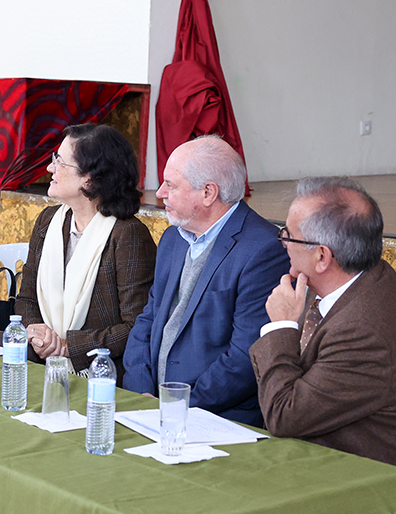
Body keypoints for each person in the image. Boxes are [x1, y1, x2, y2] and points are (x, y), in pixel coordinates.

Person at [250, 176, 396, 497]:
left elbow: (284, 416)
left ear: (322, 256)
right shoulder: (354, 278)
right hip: (345, 463)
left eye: (288, 235)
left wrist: (280, 327)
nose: (282, 244)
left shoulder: (364, 329)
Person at [122, 136, 289, 426]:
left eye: (171, 185)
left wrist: (176, 405)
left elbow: (245, 357)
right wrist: (141, 392)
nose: (160, 193)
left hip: (218, 420)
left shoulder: (263, 251)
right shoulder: (173, 237)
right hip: (150, 408)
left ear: (208, 193)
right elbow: (147, 320)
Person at [8, 123, 156, 382]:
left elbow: (136, 327)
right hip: (44, 358)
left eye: (59, 162)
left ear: (89, 178)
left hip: (99, 371)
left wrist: (67, 347)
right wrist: (36, 331)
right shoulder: (47, 221)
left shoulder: (128, 234)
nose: (49, 168)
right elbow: (26, 298)